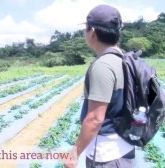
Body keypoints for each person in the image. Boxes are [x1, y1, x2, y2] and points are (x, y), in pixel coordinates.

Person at [65, 4, 135, 168]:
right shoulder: (125, 59)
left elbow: (95, 119)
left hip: (106, 154)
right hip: (125, 146)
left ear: (93, 33)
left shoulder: (103, 65)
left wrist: (75, 152)